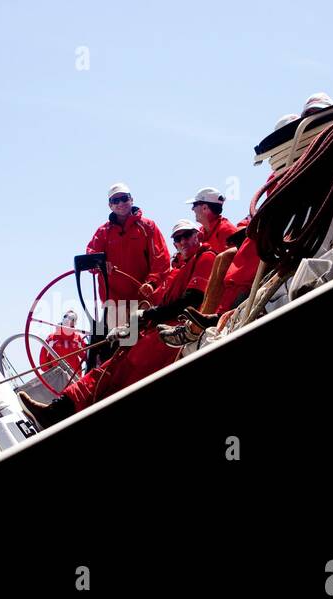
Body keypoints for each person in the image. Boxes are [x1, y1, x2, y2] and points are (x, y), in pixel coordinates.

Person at [19, 220, 213, 428]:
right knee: (110, 366)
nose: (182, 241)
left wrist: (148, 301)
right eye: (177, 238)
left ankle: (60, 412)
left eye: (186, 235)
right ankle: (57, 409)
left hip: (161, 330)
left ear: (198, 235)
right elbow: (90, 255)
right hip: (131, 316)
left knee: (119, 370)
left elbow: (188, 298)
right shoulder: (106, 233)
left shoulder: (200, 256)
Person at [85, 182, 170, 309]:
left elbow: (161, 258)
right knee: (116, 329)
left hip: (143, 301)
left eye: (124, 198)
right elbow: (90, 259)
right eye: (115, 200)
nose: (120, 203)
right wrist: (100, 263)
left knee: (141, 328)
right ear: (110, 205)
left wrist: (152, 283)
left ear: (131, 200)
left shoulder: (148, 227)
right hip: (114, 303)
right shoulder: (103, 232)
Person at [186, 186, 236, 254]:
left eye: (194, 205)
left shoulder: (227, 230)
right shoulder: (200, 232)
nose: (192, 209)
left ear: (205, 208)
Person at [38, 310, 87, 379]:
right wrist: (48, 372)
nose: (70, 321)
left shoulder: (77, 338)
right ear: (64, 319)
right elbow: (43, 355)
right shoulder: (52, 338)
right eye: (68, 318)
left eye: (73, 319)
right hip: (57, 377)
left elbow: (85, 355)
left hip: (74, 377)